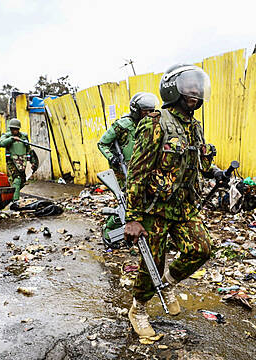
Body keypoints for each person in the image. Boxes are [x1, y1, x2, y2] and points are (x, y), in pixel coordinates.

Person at [124, 64, 226, 337]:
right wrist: (133, 218)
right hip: (155, 209)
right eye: (188, 86)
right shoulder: (155, 122)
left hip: (185, 207)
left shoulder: (195, 127)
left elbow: (199, 164)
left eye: (197, 86)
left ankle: (167, 285)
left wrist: (216, 172)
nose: (195, 91)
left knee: (202, 249)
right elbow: (137, 172)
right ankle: (139, 309)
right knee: (152, 263)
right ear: (173, 88)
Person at [98, 92, 159, 244]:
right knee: (125, 203)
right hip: (122, 170)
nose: (149, 114)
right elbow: (102, 143)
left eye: (151, 110)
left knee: (142, 203)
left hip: (142, 170)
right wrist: (111, 157)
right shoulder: (123, 125)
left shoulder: (152, 125)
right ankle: (108, 230)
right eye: (146, 110)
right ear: (136, 110)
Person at [0, 118, 38, 204]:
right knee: (17, 179)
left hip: (22, 161)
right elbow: (1, 143)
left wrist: (32, 161)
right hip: (11, 161)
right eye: (13, 129)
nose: (14, 131)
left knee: (23, 181)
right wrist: (12, 139)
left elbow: (29, 149)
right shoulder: (6, 135)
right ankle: (15, 201)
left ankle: (10, 194)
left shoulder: (24, 136)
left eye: (16, 129)